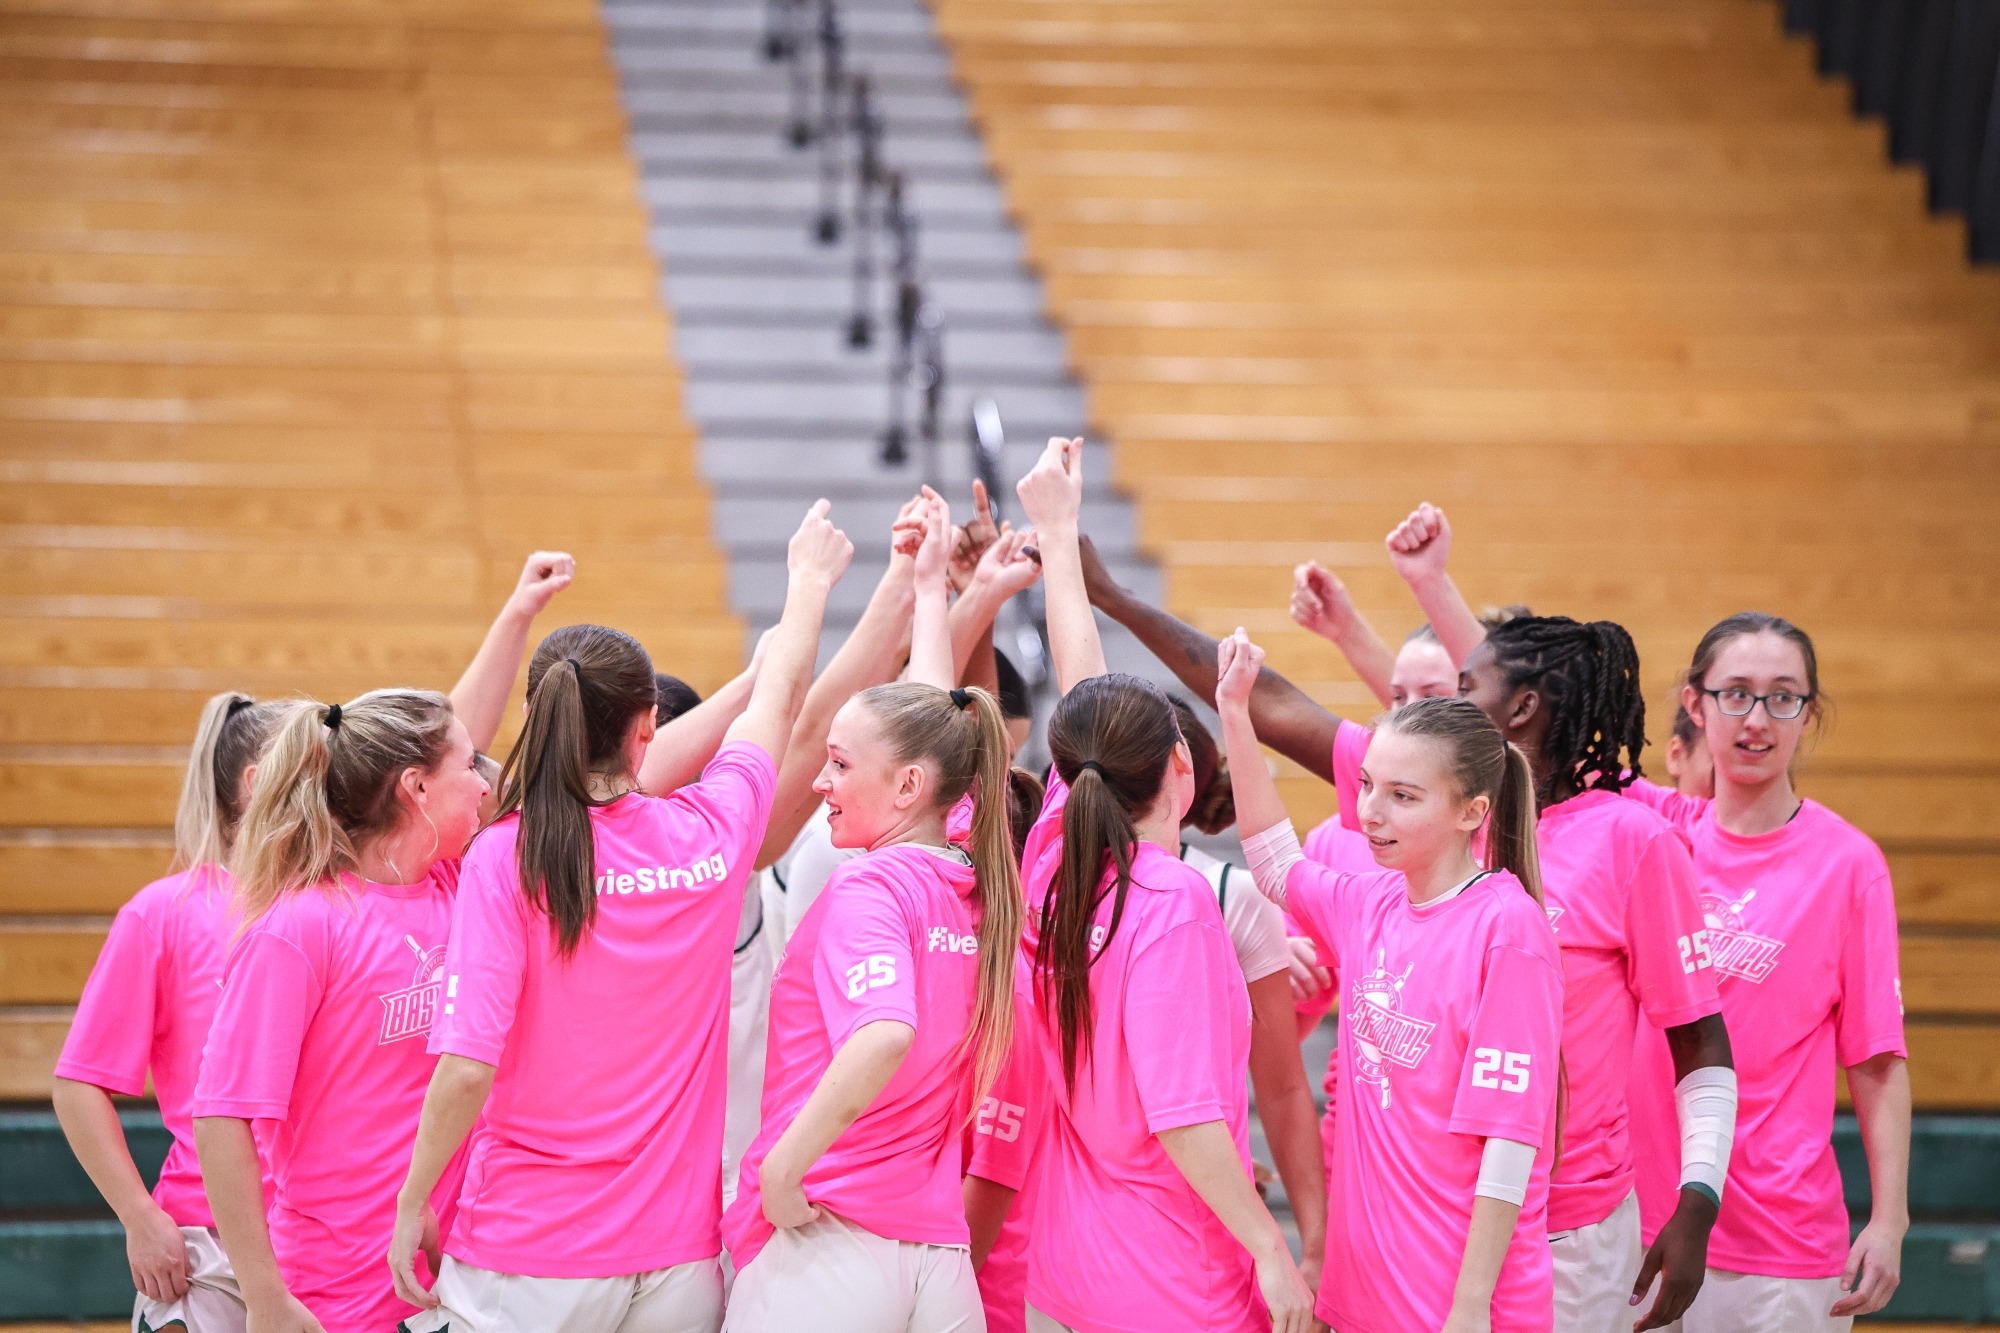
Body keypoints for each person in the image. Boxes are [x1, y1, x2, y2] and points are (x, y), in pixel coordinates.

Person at [383, 502, 851, 1333]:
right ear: (647, 729)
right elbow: (778, 702)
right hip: (677, 1262)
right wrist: (808, 584)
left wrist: (415, 1196)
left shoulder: (507, 855)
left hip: (527, 1258)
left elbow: (465, 1068)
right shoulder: (714, 835)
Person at [186, 554, 574, 1333]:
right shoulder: (301, 926)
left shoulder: (460, 884)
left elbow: (446, 737)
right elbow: (219, 1119)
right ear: (414, 790)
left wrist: (515, 617)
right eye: (473, 764)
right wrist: (263, 1295)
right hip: (333, 1292)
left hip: (461, 1280)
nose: (489, 780)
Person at [1012, 437, 1314, 1333]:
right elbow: (1184, 1117)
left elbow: (1082, 689)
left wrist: (1058, 533)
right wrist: (1271, 1247)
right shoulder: (1176, 899)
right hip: (1169, 1282)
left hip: (1065, 1269)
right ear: (1182, 764)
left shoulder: (1054, 857)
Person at [721, 495, 1022, 1330]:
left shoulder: (872, 887)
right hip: (936, 1255)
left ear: (905, 789)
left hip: (832, 1238)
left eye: (837, 763)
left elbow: (883, 1032)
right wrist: (930, 593)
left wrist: (783, 1168)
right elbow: (928, 728)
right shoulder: (973, 869)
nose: (819, 780)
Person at [1219, 627, 1565, 1333]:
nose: (1371, 811)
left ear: (1473, 811)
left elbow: (1509, 1143)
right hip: (1365, 1291)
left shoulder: (1508, 928)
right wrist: (1234, 711)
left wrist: (1471, 1306)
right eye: (1368, 784)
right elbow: (1275, 867)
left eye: (1403, 795)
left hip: (1461, 1302)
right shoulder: (1372, 899)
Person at [1625, 613, 1909, 1331]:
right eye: (1737, 693)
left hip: (1777, 1248)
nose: (1758, 718)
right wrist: (1430, 583)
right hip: (1637, 1226)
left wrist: (1890, 1220)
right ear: (1696, 704)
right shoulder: (1657, 835)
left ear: (1808, 712)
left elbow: (1876, 1060)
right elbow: (1528, 708)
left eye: (1784, 696)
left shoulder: (1849, 865)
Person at [52, 691, 280, 1333]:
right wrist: (139, 1217)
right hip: (204, 1246)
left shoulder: (330, 904)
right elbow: (78, 1085)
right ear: (256, 785)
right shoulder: (163, 913)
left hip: (317, 1239)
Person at [1167, 697, 1327, 1288]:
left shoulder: (1231, 893)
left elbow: (1283, 1086)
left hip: (1200, 1202)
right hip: (1070, 1203)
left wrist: (1315, 1241)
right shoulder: (1051, 872)